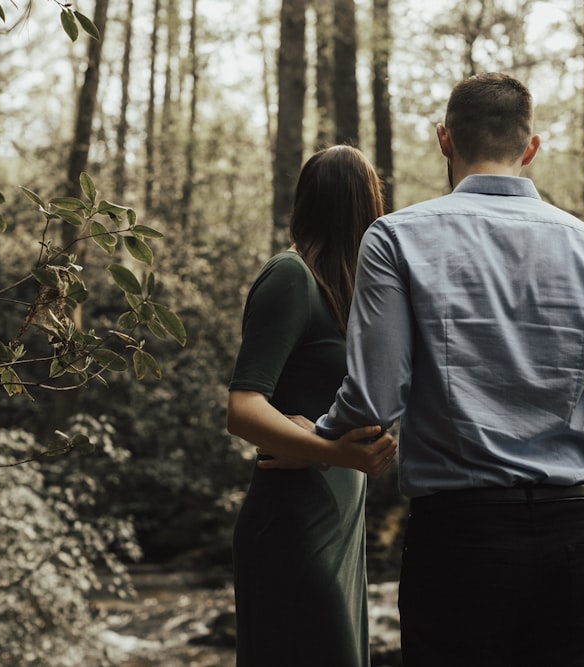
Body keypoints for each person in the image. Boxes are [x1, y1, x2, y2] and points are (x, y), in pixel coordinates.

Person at [315, 73, 584, 666]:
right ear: (531, 148)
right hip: (570, 537)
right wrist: (562, 422)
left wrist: (311, 435)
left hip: (457, 541)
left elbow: (374, 400)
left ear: (444, 139)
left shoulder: (396, 238)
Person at [227, 145, 398, 667]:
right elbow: (243, 408)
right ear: (369, 209)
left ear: (306, 204)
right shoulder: (290, 276)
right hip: (293, 523)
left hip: (343, 521)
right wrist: (329, 451)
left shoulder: (364, 296)